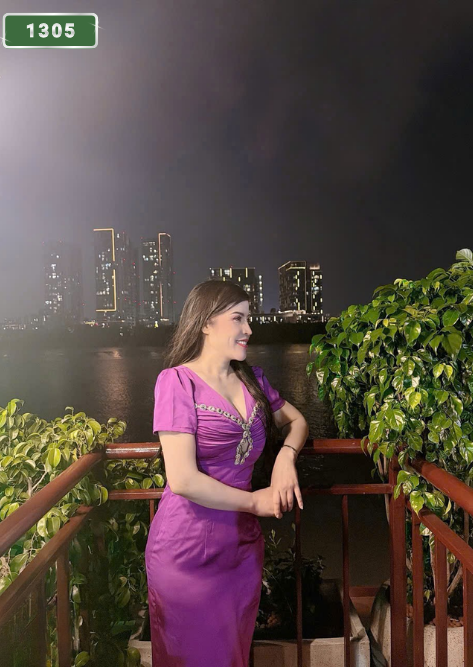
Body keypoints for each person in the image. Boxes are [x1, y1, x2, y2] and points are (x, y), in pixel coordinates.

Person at [144, 280, 309, 667]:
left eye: (248, 318)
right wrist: (254, 501)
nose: (248, 329)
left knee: (232, 655)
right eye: (238, 318)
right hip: (185, 552)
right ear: (205, 323)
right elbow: (182, 479)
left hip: (240, 549)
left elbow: (297, 422)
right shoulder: (177, 382)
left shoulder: (253, 379)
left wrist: (285, 458)